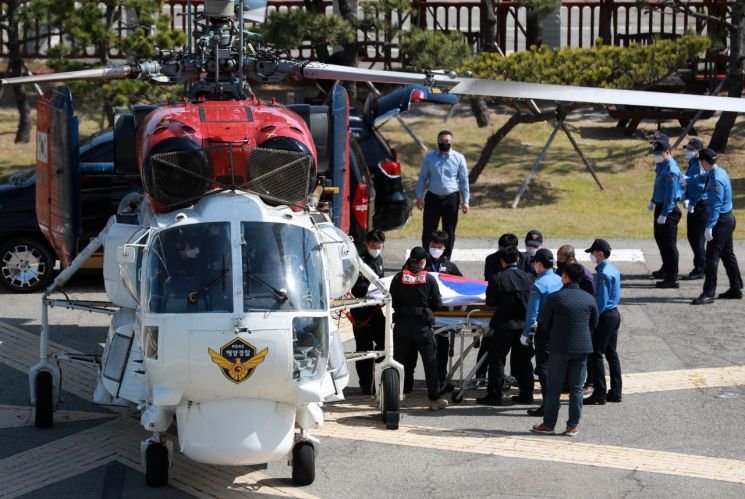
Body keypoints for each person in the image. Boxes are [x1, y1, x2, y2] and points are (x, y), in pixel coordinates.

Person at [531, 263, 598, 436]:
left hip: (559, 347)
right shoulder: (589, 298)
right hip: (582, 347)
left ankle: (549, 424)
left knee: (554, 387)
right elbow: (593, 323)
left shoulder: (555, 298)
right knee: (576, 388)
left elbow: (545, 323)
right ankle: (572, 426)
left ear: (566, 277)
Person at [390, 246, 448, 411]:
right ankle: (434, 399)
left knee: (398, 362)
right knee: (430, 364)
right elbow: (437, 303)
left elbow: (393, 301)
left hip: (402, 327)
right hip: (423, 328)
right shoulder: (429, 279)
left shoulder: (397, 278)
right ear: (423, 261)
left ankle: (395, 396)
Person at [476, 246, 534, 406]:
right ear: (518, 259)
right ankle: (526, 393)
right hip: (523, 325)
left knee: (497, 360)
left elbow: (490, 302)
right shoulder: (529, 277)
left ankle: (495, 394)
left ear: (502, 261)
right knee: (524, 360)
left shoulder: (497, 278)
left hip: (504, 325)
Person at [690, 149, 743, 305]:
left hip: (721, 221)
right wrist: (689, 180)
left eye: (700, 161)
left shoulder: (716, 181)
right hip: (727, 219)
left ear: (704, 162)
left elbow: (716, 206)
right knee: (727, 254)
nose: (699, 163)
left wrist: (709, 227)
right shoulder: (717, 171)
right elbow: (703, 176)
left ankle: (708, 293)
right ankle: (735, 287)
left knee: (712, 258)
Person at [415, 130, 470, 260]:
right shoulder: (429, 157)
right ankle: (427, 258)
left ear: (451, 142)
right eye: (441, 141)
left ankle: (445, 259)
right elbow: (423, 177)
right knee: (428, 230)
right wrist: (419, 196)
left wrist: (465, 201)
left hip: (451, 198)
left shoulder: (459, 158)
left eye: (447, 141)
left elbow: (463, 181)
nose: (444, 143)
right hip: (433, 198)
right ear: (437, 141)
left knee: (449, 231)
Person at [520, 248, 563, 417]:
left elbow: (532, 315)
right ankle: (554, 401)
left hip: (545, 331)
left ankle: (548, 405)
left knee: (544, 368)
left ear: (538, 264)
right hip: (560, 329)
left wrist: (525, 334)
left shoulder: (538, 285)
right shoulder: (559, 280)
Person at [583, 239, 623, 405]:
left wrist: (592, 319)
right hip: (613, 314)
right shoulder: (611, 268)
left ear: (600, 252)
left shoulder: (604, 273)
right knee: (611, 353)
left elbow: (601, 301)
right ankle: (615, 391)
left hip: (605, 316)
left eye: (593, 252)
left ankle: (599, 392)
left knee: (595, 354)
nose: (592, 255)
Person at [423, 230, 461, 393]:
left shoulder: (450, 267)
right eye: (433, 246)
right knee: (425, 349)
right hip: (425, 315)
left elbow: (461, 285)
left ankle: (442, 379)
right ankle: (411, 381)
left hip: (445, 317)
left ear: (445, 248)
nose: (436, 249)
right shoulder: (421, 263)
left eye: (439, 246)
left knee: (442, 349)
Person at [349, 229, 387, 394]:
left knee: (386, 343)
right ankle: (366, 384)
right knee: (363, 349)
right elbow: (356, 288)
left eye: (379, 246)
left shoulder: (378, 260)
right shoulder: (359, 262)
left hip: (376, 310)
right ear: (366, 244)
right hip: (361, 312)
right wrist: (372, 288)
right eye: (373, 246)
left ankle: (378, 375)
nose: (376, 249)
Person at [647, 139, 684, 288]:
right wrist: (653, 200)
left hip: (668, 210)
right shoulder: (662, 166)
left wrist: (665, 213)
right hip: (660, 206)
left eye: (659, 153)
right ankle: (666, 269)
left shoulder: (671, 170)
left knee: (669, 244)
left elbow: (671, 194)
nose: (656, 156)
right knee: (660, 239)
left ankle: (672, 278)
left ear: (667, 152)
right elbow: (659, 187)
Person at [681, 139, 708, 280]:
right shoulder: (692, 163)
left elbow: (701, 187)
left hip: (700, 204)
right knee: (692, 237)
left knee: (697, 238)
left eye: (690, 149)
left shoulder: (700, 164)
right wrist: (685, 197)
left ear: (697, 150)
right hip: (693, 204)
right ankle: (699, 266)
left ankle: (701, 268)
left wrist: (691, 202)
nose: (687, 151)